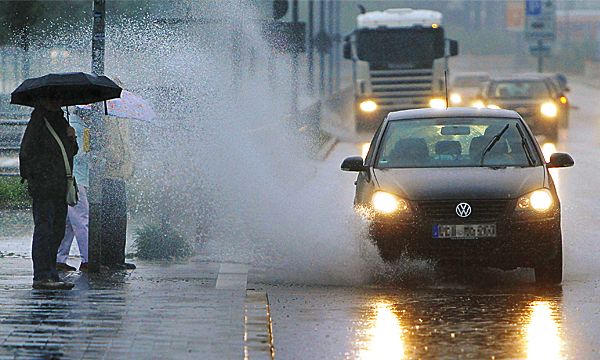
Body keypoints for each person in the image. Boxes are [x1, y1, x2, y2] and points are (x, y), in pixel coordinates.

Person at [19, 98, 78, 290]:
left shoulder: (61, 121)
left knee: (57, 229)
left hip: (60, 185)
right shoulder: (38, 121)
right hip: (44, 186)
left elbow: (69, 153)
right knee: (45, 229)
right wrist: (39, 176)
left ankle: (51, 272)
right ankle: (42, 275)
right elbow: (26, 153)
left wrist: (72, 138)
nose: (57, 103)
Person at [56, 108, 89, 272]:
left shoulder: (71, 125)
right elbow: (80, 154)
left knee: (69, 222)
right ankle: (87, 259)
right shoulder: (80, 128)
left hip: (70, 178)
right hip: (77, 180)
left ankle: (60, 258)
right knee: (82, 220)